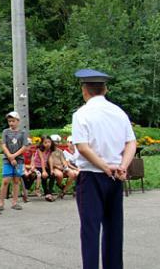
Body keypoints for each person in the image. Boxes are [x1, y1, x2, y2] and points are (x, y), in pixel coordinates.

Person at [72, 69, 137, 269]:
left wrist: (103, 166)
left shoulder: (81, 114)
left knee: (91, 229)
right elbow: (131, 142)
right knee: (114, 228)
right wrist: (123, 166)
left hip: (92, 177)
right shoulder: (119, 113)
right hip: (116, 176)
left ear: (85, 90)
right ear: (105, 89)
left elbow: (82, 147)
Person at [0, 111, 27, 211]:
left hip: (19, 160)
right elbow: (3, 145)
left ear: (18, 121)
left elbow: (24, 146)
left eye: (13, 121)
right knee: (6, 180)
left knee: (16, 180)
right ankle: (1, 202)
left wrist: (14, 156)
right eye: (9, 121)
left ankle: (15, 202)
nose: (11, 123)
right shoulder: (5, 132)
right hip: (7, 159)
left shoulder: (23, 132)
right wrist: (10, 157)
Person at [48, 134, 77, 199]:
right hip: (54, 168)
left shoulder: (60, 151)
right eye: (55, 142)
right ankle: (60, 185)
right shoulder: (49, 151)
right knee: (60, 175)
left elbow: (63, 160)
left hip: (62, 167)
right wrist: (58, 167)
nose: (57, 143)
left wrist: (65, 166)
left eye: (58, 142)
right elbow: (50, 162)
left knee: (72, 174)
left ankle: (64, 191)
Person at [34, 136, 56, 202]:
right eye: (45, 142)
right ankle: (46, 193)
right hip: (38, 166)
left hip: (45, 166)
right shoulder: (40, 149)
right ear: (42, 143)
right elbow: (42, 160)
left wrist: (51, 169)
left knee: (52, 175)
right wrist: (44, 171)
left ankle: (50, 192)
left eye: (49, 142)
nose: (48, 144)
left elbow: (50, 159)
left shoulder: (50, 149)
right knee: (44, 176)